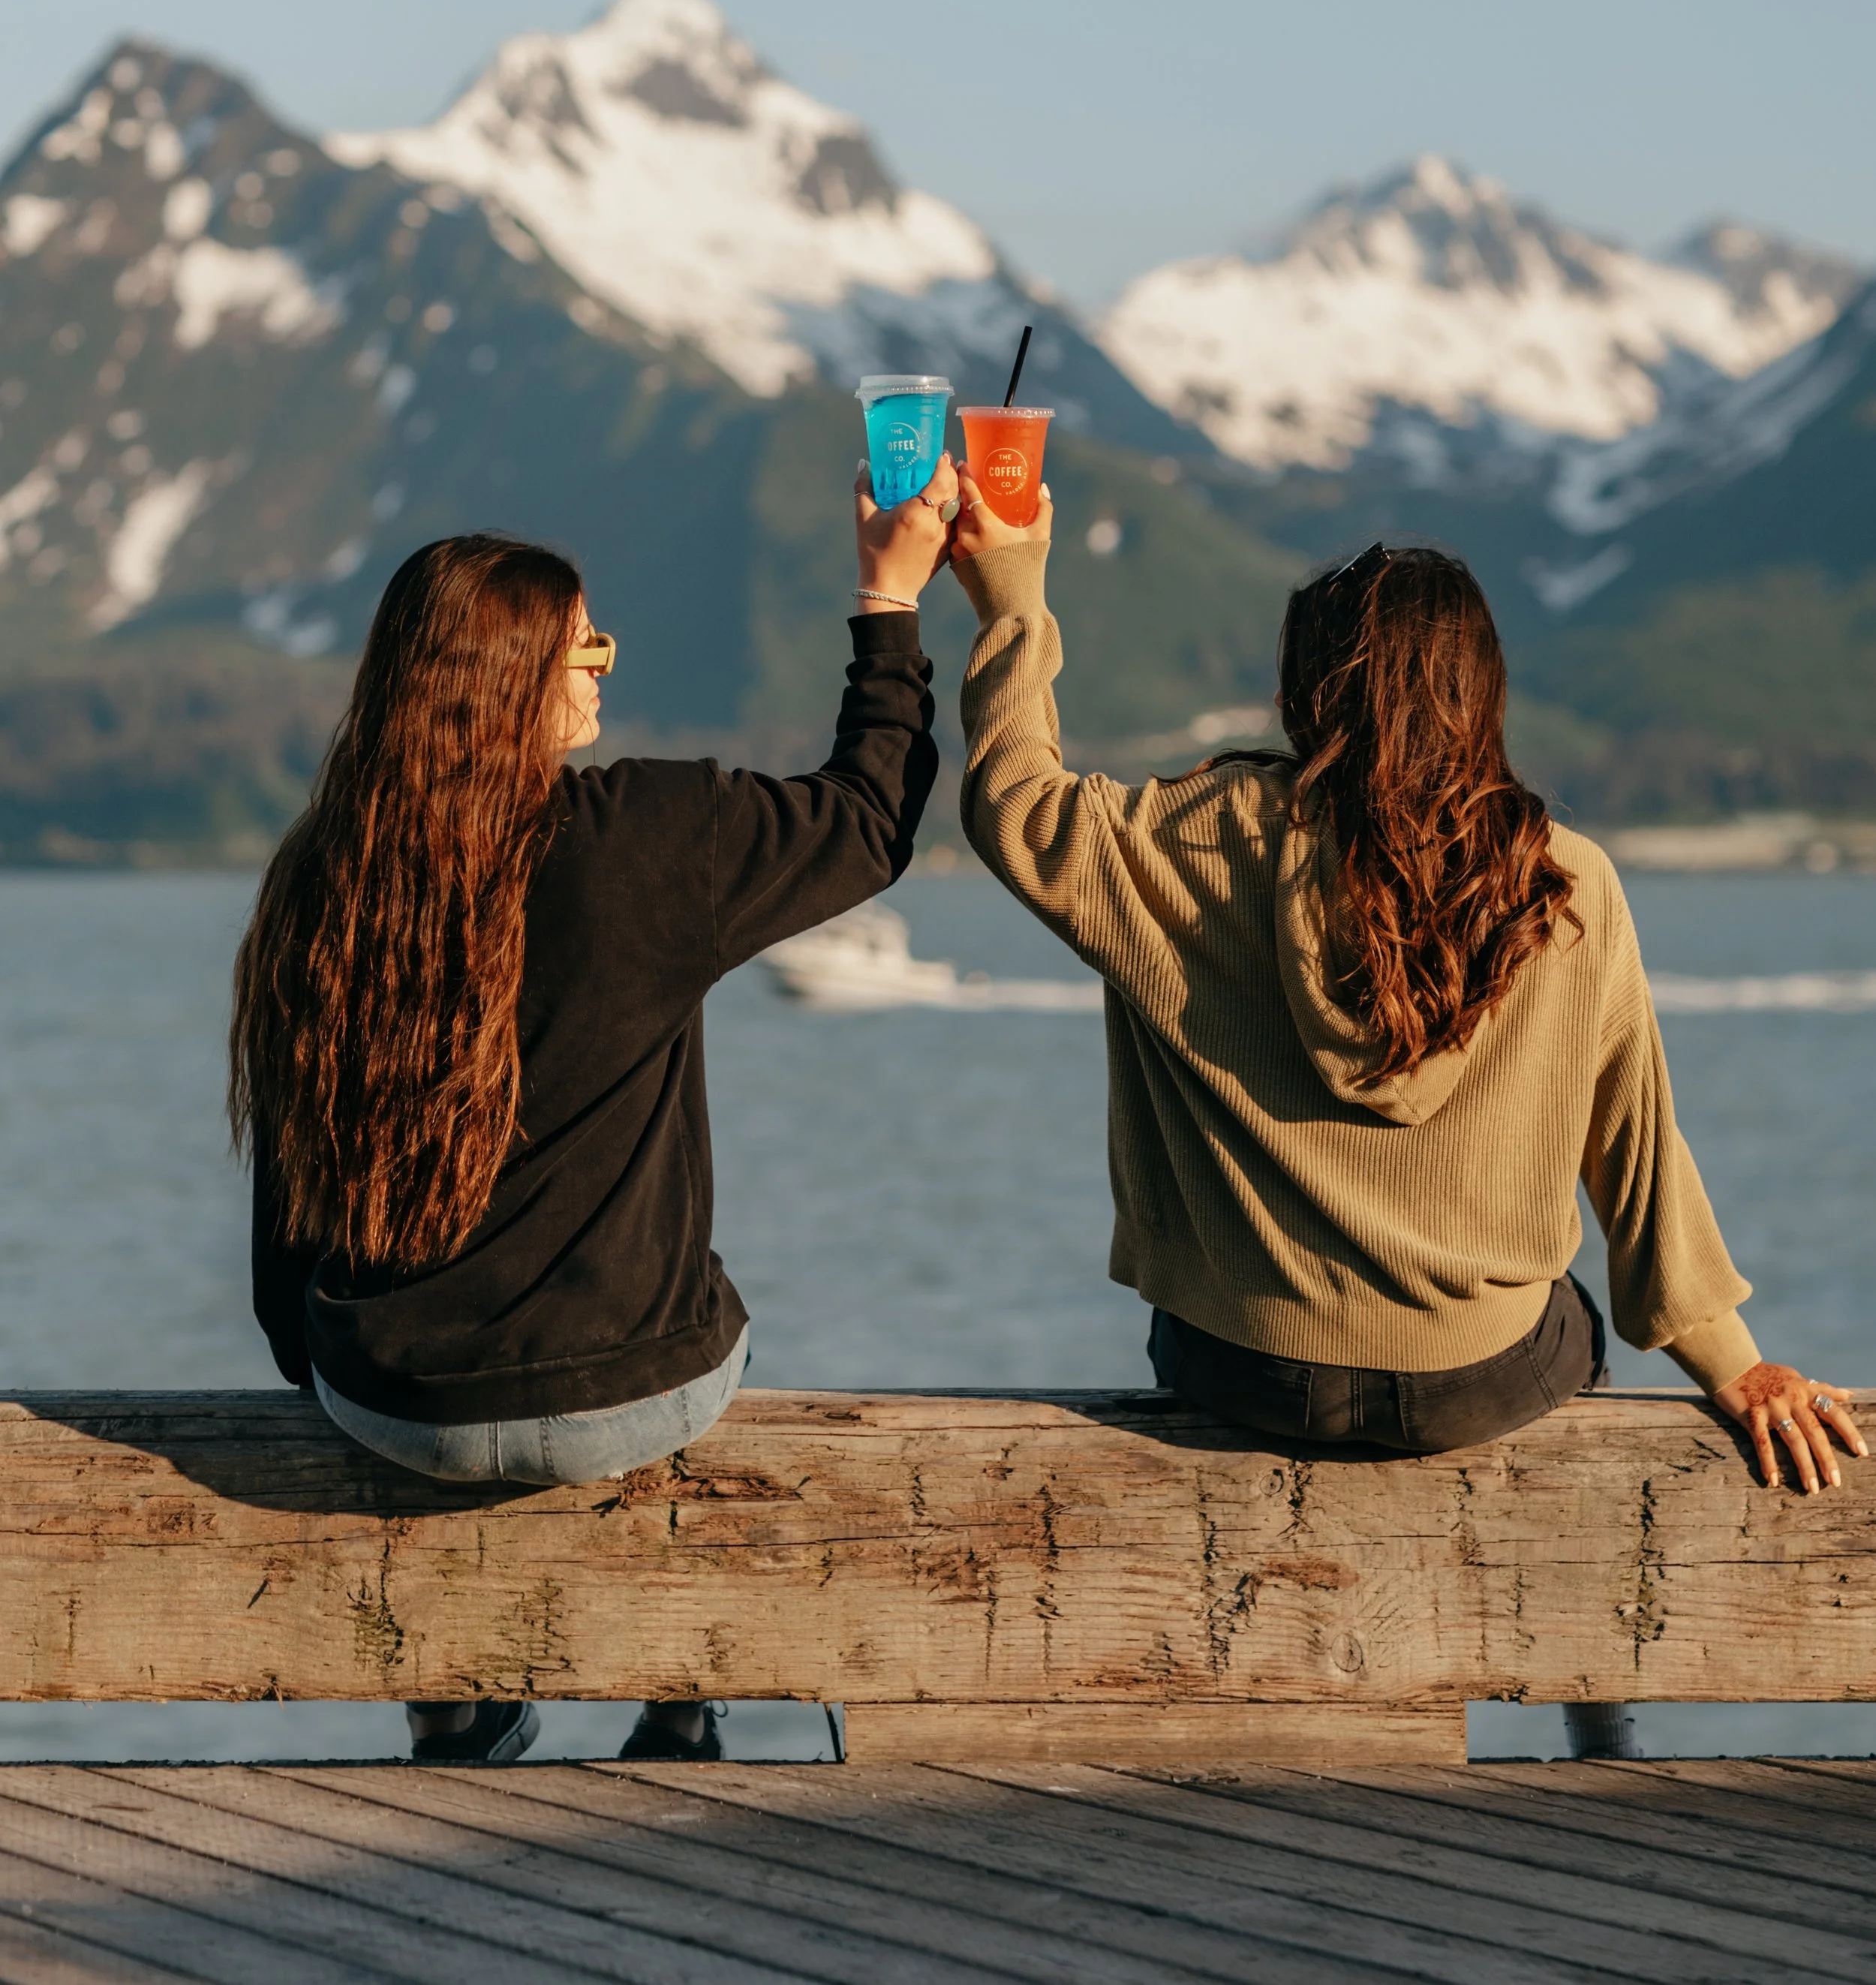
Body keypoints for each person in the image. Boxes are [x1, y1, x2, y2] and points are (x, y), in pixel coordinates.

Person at [231, 457, 955, 1764]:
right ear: (514, 682)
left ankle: (458, 1705)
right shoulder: (653, 836)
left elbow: (298, 1168)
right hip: (636, 1396)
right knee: (715, 1323)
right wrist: (886, 601)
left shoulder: (322, 874)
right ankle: (680, 1694)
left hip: (389, 1397)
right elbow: (869, 817)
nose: (603, 670)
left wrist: (320, 1356)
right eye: (585, 646)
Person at [949, 498, 1865, 1490]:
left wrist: (1012, 595)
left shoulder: (1193, 842)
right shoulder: (1563, 878)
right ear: (1482, 695)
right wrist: (1735, 1361)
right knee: (1570, 1324)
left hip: (1246, 1367)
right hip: (1484, 1380)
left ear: (1302, 697)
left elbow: (1018, 803)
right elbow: (1634, 1144)